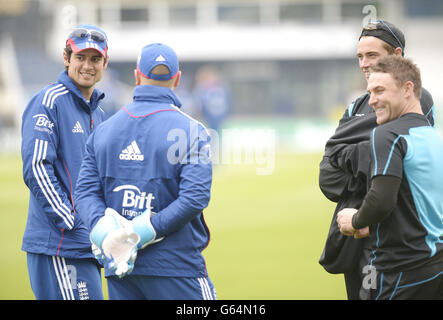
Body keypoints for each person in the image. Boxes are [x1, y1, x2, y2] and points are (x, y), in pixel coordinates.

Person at [74, 43, 216, 300]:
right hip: (177, 267)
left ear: (137, 75)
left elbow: (84, 191)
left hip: (121, 268)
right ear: (178, 79)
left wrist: (108, 233)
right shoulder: (193, 131)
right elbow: (194, 197)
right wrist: (142, 231)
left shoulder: (104, 130)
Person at [318, 20, 435, 300]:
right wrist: (368, 160)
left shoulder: (419, 100)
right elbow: (327, 176)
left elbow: (403, 170)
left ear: (396, 56)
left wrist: (352, 156)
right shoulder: (357, 105)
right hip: (354, 236)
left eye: (372, 55)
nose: (364, 63)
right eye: (360, 56)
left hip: (393, 238)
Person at [337, 55, 443, 299]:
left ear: (408, 89)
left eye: (380, 91)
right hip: (435, 266)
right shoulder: (432, 135)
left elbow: (381, 200)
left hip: (400, 271)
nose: (372, 101)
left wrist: (355, 220)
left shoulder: (387, 134)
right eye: (370, 92)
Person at [21, 24, 109, 300]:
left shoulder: (100, 114)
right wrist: (71, 221)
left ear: (105, 63)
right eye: (80, 57)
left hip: (87, 244)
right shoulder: (48, 102)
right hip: (59, 245)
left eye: (95, 59)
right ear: (66, 58)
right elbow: (36, 168)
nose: (87, 66)